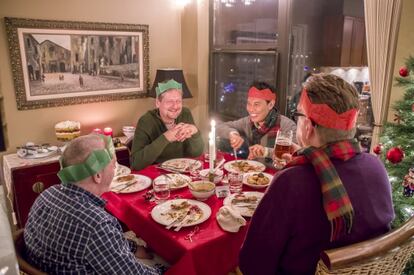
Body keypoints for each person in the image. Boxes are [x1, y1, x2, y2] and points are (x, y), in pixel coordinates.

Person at [239, 74, 394, 275]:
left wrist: (294, 173)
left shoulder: (291, 183)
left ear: (309, 126)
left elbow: (253, 265)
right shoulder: (376, 167)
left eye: (299, 114)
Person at [24, 134, 160, 274]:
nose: (115, 170)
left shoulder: (47, 194)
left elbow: (102, 244)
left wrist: (133, 248)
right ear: (97, 176)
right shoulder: (96, 224)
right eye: (113, 165)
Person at [130, 79, 204, 170]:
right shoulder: (146, 121)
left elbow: (197, 153)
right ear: (158, 103)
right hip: (157, 174)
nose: (175, 106)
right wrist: (166, 137)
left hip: (184, 171)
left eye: (178, 101)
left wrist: (195, 132)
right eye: (170, 101)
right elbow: (136, 163)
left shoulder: (185, 114)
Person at [216, 81, 296, 161]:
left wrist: (266, 152)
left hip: (278, 172)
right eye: (249, 104)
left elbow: (295, 154)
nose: (251, 109)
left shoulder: (287, 125)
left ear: (270, 105)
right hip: (253, 171)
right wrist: (233, 134)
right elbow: (219, 127)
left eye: (256, 104)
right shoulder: (247, 122)